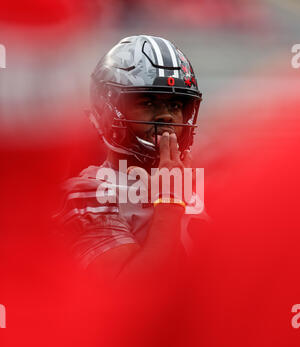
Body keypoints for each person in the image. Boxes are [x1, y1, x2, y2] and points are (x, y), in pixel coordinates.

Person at [55, 35, 206, 281]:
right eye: (148, 102)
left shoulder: (204, 180)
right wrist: (169, 203)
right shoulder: (88, 194)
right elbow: (136, 295)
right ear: (107, 111)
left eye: (176, 105)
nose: (167, 116)